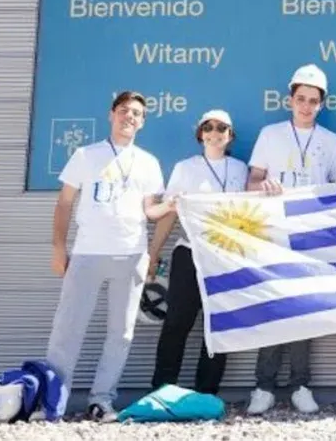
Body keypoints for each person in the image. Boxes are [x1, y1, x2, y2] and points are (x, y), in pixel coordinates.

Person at [45, 91, 173, 422]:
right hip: (87, 252)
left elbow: (150, 211)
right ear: (111, 114)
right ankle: (52, 402)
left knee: (121, 332)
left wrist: (172, 205)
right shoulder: (86, 155)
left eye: (136, 113)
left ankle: (101, 400)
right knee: (68, 328)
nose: (129, 117)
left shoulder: (148, 162)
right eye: (124, 111)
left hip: (131, 255)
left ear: (142, 122)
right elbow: (64, 203)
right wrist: (59, 247)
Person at [245, 63, 336, 415]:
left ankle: (301, 384)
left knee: (304, 311)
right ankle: (264, 386)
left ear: (321, 104)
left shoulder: (332, 143)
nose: (306, 106)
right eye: (300, 99)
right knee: (274, 308)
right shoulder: (270, 135)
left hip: (311, 240)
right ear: (290, 100)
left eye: (313, 100)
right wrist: (264, 186)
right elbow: (251, 182)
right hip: (273, 236)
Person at [147, 109, 249, 396]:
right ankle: (162, 390)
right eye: (209, 127)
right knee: (177, 322)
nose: (215, 133)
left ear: (230, 136)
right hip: (189, 253)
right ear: (200, 133)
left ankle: (206, 392)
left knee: (218, 326)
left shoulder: (240, 169)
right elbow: (168, 213)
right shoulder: (185, 167)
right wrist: (153, 253)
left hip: (225, 256)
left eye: (222, 128)